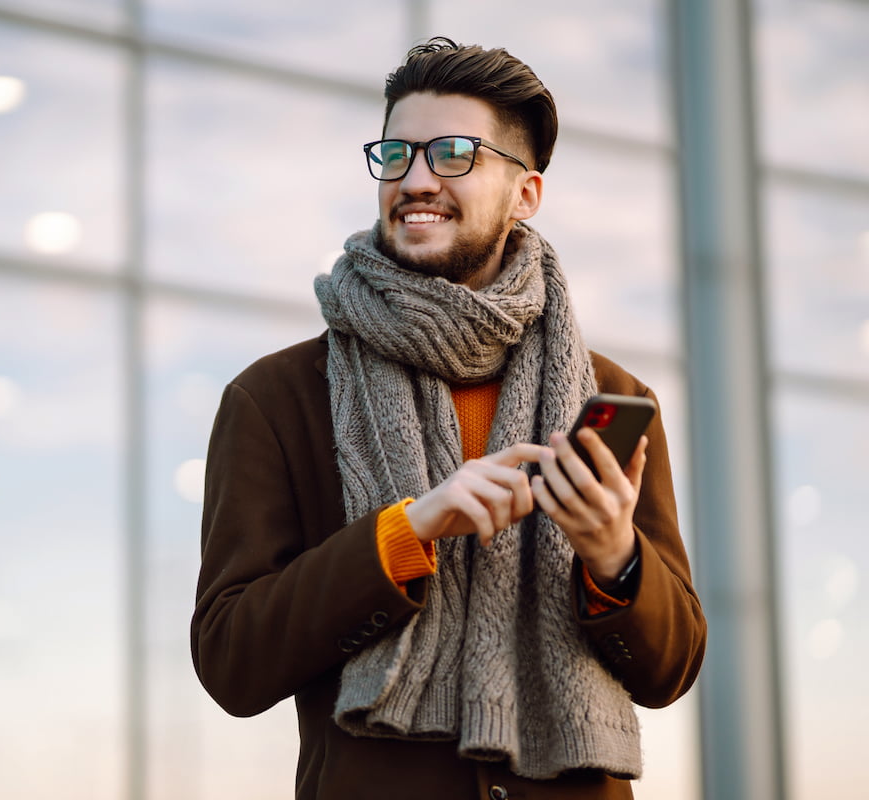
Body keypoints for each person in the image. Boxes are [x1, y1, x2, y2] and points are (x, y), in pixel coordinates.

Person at [190, 37, 706, 800]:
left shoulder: (612, 395)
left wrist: (613, 555)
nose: (417, 178)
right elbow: (232, 660)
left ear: (525, 193)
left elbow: (671, 668)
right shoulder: (274, 399)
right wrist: (406, 533)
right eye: (397, 152)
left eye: (455, 153)